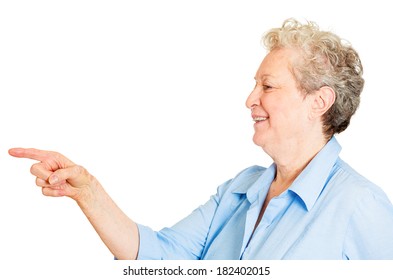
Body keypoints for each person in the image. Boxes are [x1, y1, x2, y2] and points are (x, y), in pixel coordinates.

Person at [8, 18, 393, 260]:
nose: (250, 100)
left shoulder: (360, 206)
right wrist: (87, 192)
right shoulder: (240, 189)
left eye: (268, 86)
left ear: (319, 102)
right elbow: (162, 262)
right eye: (254, 85)